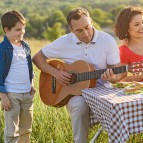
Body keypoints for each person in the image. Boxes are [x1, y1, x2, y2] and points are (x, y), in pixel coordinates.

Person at [32, 7, 123, 143]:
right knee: (79, 106)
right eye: (79, 31)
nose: (85, 33)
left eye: (87, 27)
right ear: (71, 30)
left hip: (103, 90)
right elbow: (37, 57)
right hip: (75, 94)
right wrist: (56, 73)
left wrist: (113, 77)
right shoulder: (64, 41)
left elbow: (117, 72)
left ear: (91, 21)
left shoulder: (107, 41)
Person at [0, 10, 35, 143]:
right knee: (12, 132)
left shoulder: (25, 46)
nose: (22, 32)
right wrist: (3, 96)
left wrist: (31, 83)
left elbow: (29, 68)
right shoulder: (3, 49)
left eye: (23, 28)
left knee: (26, 129)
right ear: (7, 30)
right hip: (11, 95)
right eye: (18, 29)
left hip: (27, 94)